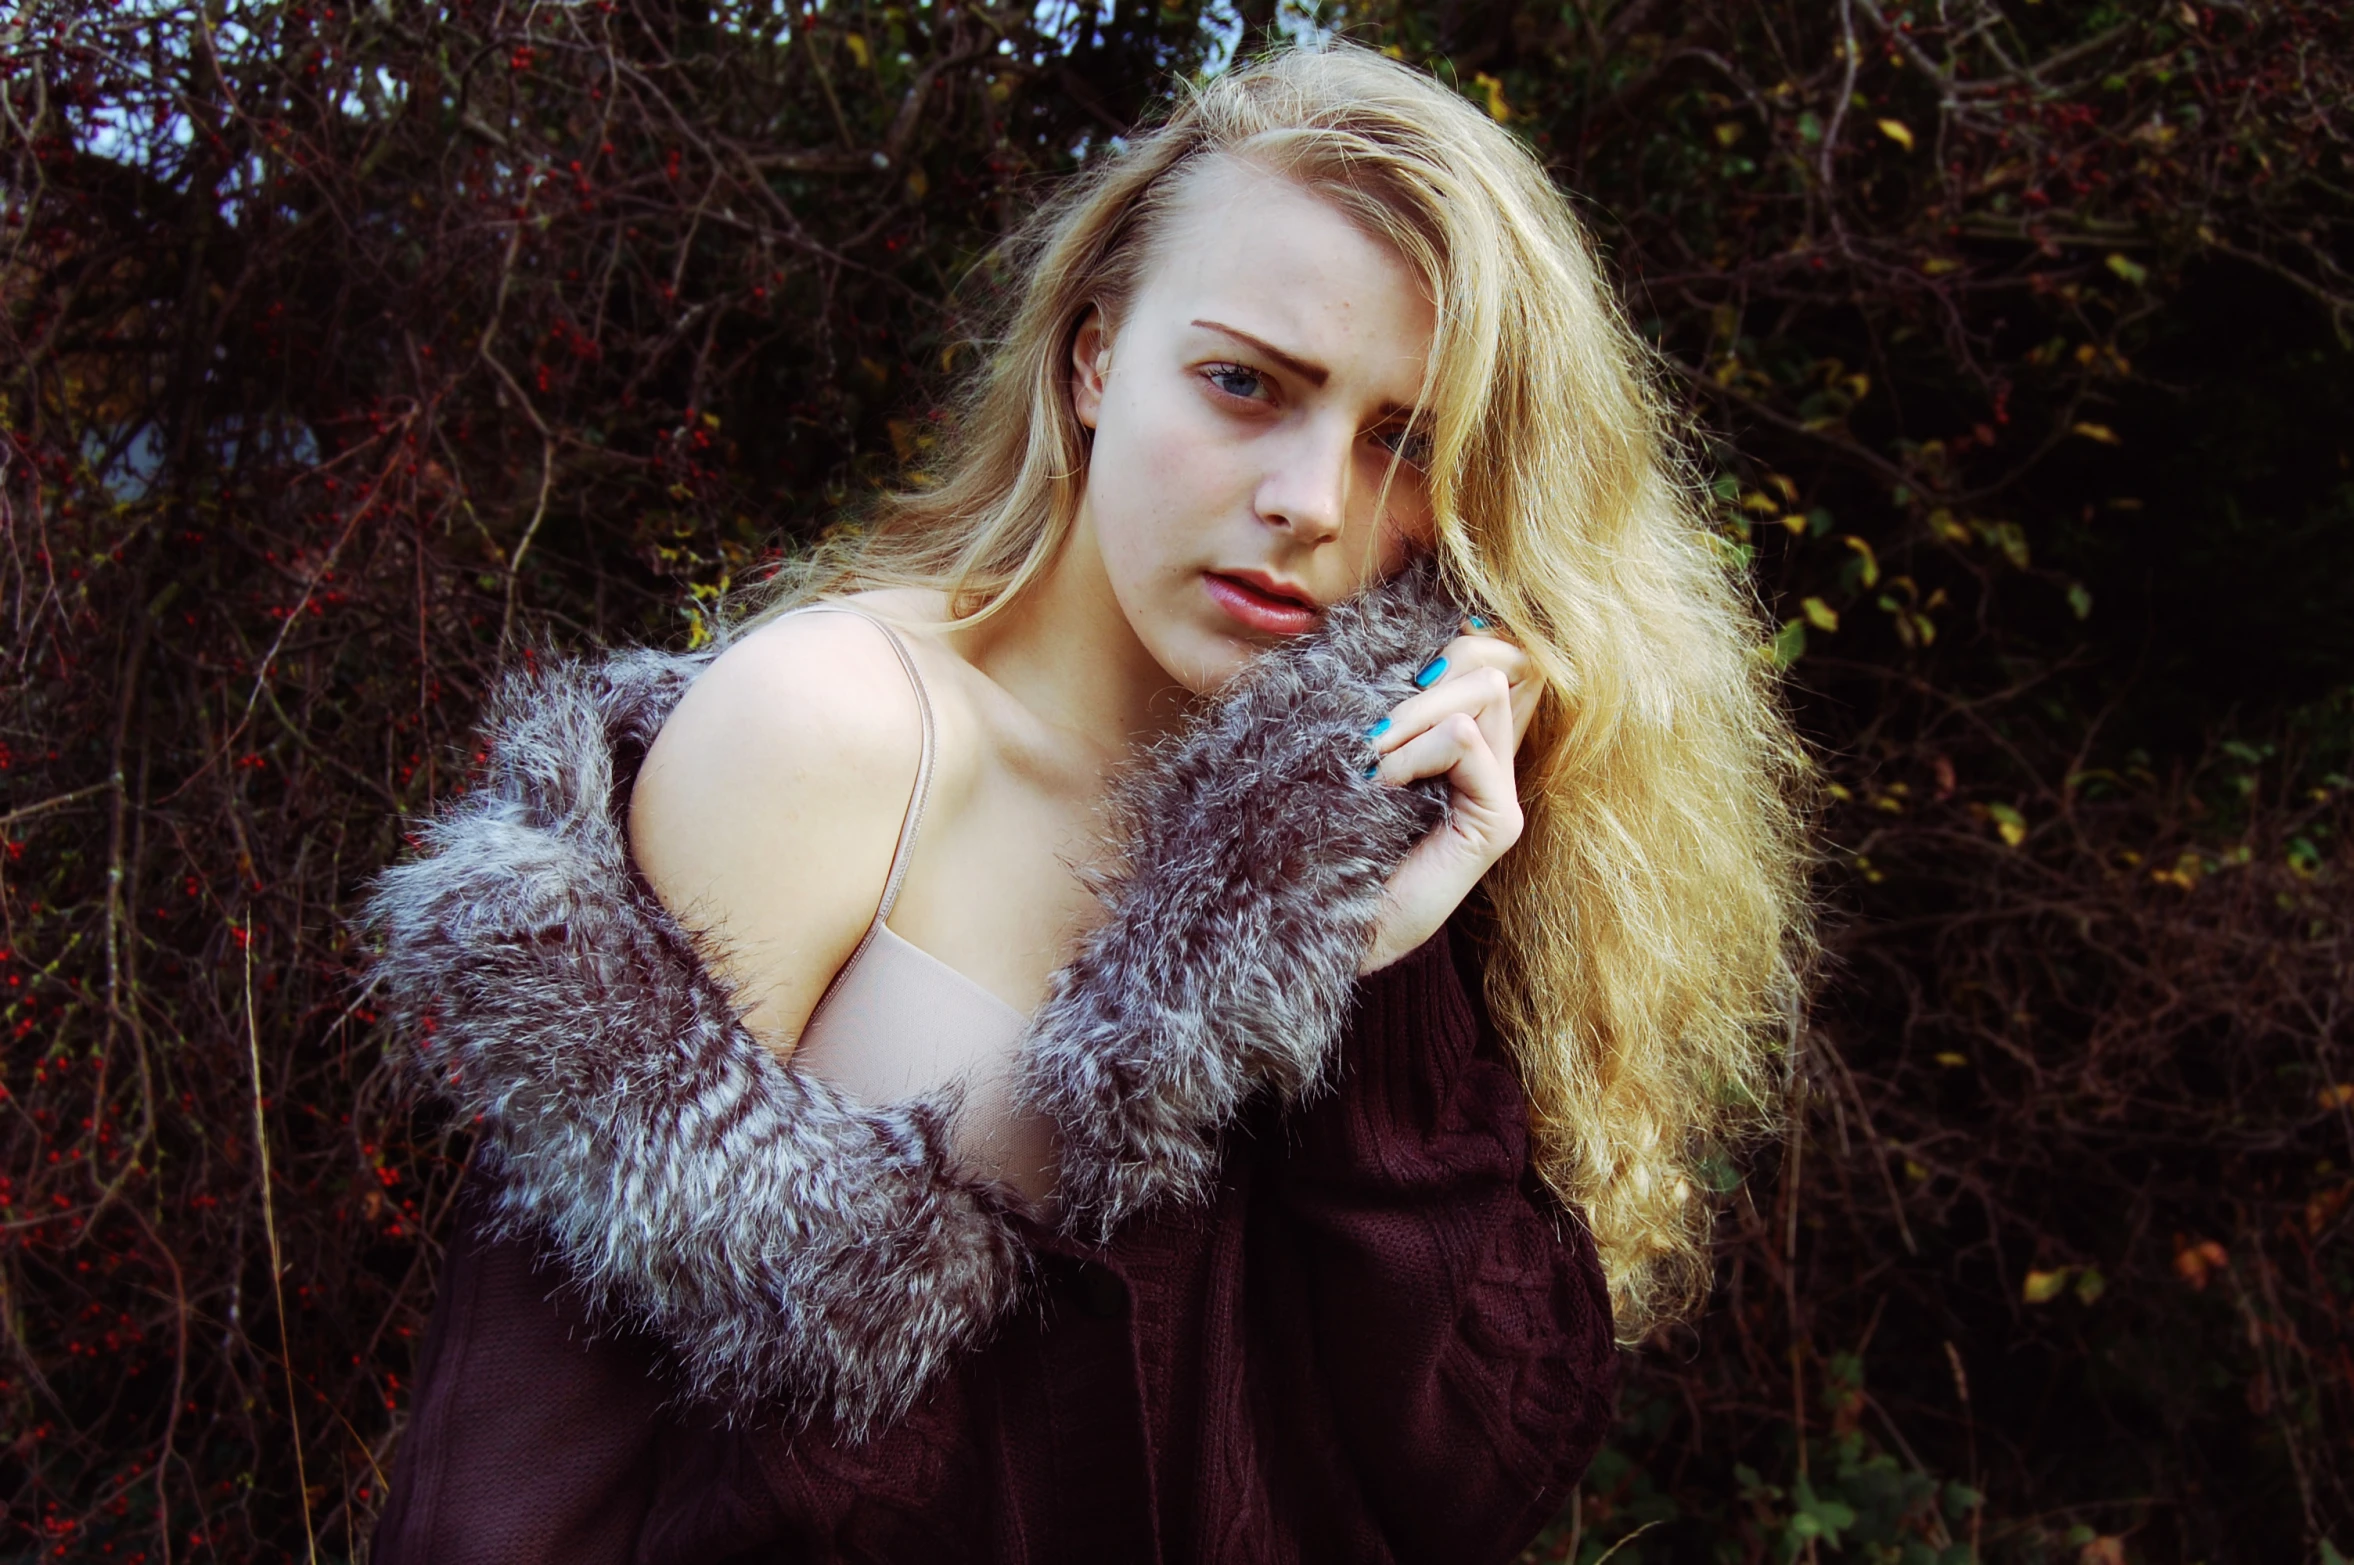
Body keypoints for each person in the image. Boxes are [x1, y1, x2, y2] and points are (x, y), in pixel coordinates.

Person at [363, 41, 1809, 1564]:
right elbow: (524, 1464)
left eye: (1407, 442)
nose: (1312, 502)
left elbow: (1456, 1477)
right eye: (1244, 383)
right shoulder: (837, 736)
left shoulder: (1378, 789)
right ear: (1095, 359)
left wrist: (1369, 964)